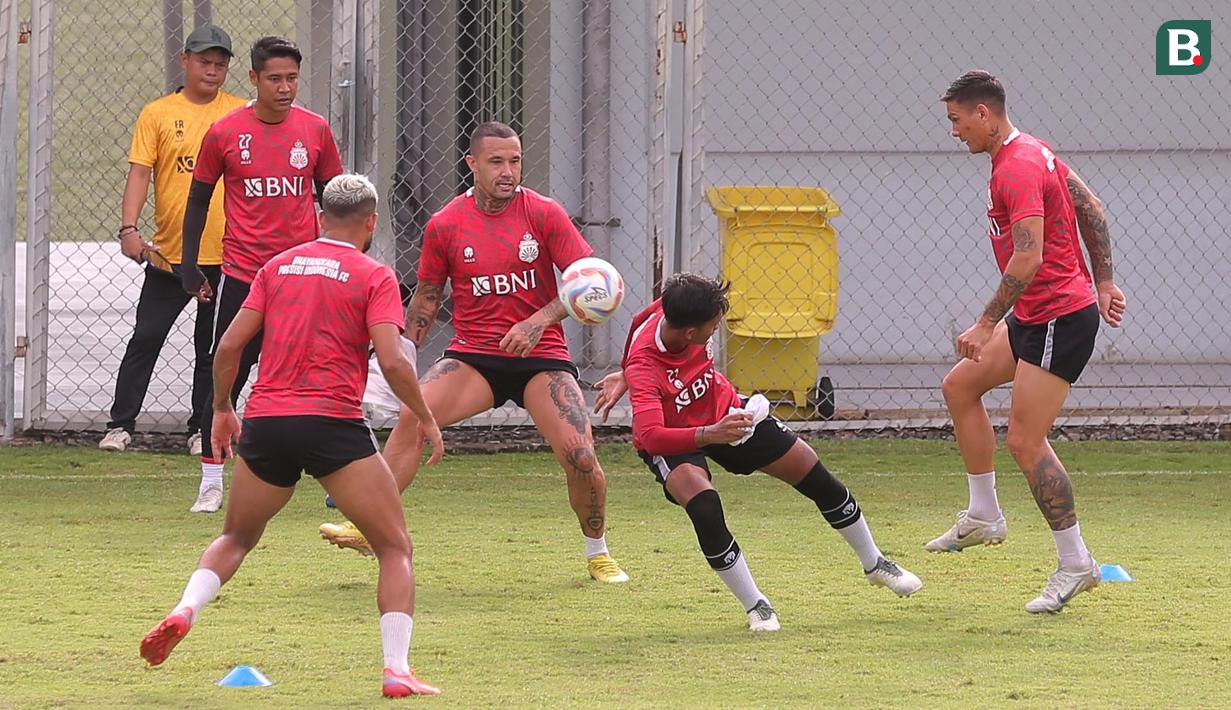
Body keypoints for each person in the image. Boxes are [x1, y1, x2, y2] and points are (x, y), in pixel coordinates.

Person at [140, 174, 444, 698]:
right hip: (332, 423)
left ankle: (185, 609)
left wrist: (221, 408)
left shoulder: (277, 267)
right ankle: (396, 670)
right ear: (371, 223)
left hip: (267, 421)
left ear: (321, 218)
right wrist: (424, 415)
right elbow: (394, 360)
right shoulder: (374, 275)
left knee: (236, 537)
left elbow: (228, 347)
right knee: (394, 547)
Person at [318, 121, 629, 584]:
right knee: (412, 416)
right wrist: (398, 354)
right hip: (475, 357)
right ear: (472, 164)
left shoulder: (544, 214)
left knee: (581, 456)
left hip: (541, 359)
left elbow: (592, 281)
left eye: (515, 161)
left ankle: (597, 552)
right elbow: (426, 299)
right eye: (496, 161)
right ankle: (367, 527)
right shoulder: (445, 224)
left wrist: (538, 321)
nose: (508, 171)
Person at [591, 274, 922, 631]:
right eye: (713, 326)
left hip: (724, 410)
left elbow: (638, 320)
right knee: (705, 507)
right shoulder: (646, 367)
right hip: (676, 438)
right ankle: (756, 605)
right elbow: (652, 436)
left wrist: (623, 372)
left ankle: (875, 563)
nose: (717, 329)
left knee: (813, 472)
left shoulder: (669, 307)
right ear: (688, 333)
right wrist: (705, 430)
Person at [930, 70, 1128, 613]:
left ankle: (1076, 563)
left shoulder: (1016, 167)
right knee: (960, 387)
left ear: (984, 114)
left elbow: (1028, 256)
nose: (954, 131)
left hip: (1058, 319)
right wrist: (1104, 281)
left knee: (1025, 441)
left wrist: (985, 322)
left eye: (957, 120)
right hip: (1036, 315)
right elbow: (1092, 207)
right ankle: (984, 515)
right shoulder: (1032, 151)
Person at [179, 35, 343, 512]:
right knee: (226, 371)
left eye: (292, 78)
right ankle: (211, 480)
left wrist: (342, 258)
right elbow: (198, 199)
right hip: (244, 276)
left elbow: (335, 203)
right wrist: (189, 265)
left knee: (323, 376)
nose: (285, 87)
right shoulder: (226, 133)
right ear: (253, 78)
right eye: (274, 78)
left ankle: (340, 475)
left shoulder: (315, 130)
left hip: (303, 277)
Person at [99, 25, 246, 455]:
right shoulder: (158, 113)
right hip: (172, 255)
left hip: (228, 256)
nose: (212, 70)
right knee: (147, 337)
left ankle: (202, 427)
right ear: (185, 61)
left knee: (213, 347)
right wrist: (129, 228)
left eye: (220, 64)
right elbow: (140, 173)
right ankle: (120, 424)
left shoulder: (241, 113)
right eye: (204, 62)